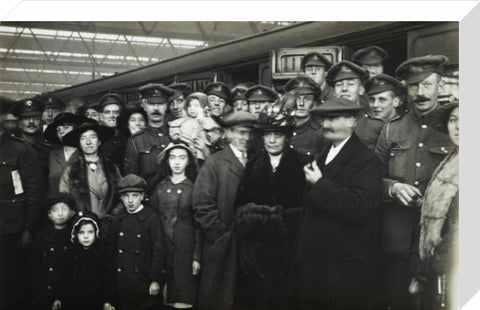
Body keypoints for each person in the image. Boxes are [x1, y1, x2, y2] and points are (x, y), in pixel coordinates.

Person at [374, 55, 453, 309]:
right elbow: (371, 177)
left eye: (427, 85)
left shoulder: (454, 127)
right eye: (413, 86)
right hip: (396, 239)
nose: (420, 92)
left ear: (440, 87)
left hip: (437, 241)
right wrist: (392, 188)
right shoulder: (390, 129)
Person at [295, 97, 383, 309]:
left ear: (352, 121)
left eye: (334, 119)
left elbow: (360, 207)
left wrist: (320, 184)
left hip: (342, 266)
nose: (326, 125)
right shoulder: (323, 154)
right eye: (324, 119)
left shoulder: (367, 160)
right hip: (318, 263)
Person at [234, 108, 305, 310]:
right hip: (255, 251)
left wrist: (276, 219)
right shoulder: (254, 163)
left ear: (287, 137)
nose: (272, 140)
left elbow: (305, 209)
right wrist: (265, 219)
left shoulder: (301, 163)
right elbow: (240, 206)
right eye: (268, 134)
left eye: (278, 135)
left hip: (288, 250)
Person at [193, 111, 257, 310]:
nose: (244, 138)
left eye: (248, 133)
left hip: (251, 242)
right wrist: (221, 234)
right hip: (223, 245)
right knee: (221, 298)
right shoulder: (215, 162)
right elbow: (202, 204)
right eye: (239, 132)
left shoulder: (258, 159)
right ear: (227, 134)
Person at [0, 99, 45, 310]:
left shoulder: (20, 150)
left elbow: (34, 193)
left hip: (12, 230)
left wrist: (28, 229)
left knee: (13, 283)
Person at [415, 102, 459, 310]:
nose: (458, 127)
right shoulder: (453, 157)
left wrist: (429, 270)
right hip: (441, 266)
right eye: (453, 120)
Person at [150, 143, 202, 309]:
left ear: (188, 162)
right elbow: (152, 219)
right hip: (162, 248)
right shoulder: (159, 188)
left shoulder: (194, 188)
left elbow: (198, 226)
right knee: (162, 296)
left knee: (183, 296)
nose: (177, 162)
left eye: (182, 158)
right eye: (172, 158)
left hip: (185, 250)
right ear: (167, 161)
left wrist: (196, 257)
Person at [112, 174, 167, 310]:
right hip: (123, 283)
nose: (130, 200)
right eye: (126, 196)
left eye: (135, 196)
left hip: (144, 282)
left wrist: (155, 280)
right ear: (121, 198)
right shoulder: (118, 219)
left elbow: (159, 251)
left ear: (142, 196)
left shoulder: (151, 218)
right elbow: (111, 253)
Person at [59, 120, 121, 219]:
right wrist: (78, 219)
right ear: (79, 143)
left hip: (109, 224)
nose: (88, 142)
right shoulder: (71, 170)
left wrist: (112, 217)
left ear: (99, 141)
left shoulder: (112, 167)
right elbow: (64, 199)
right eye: (83, 138)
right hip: (83, 226)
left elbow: (121, 196)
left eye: (93, 137)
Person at [124, 83, 175, 187]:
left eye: (160, 103)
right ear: (144, 106)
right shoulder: (136, 140)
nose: (156, 108)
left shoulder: (176, 134)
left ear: (166, 106)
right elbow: (131, 180)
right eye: (151, 104)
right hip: (149, 199)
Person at [31, 193, 75, 310]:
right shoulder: (42, 236)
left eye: (64, 209)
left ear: (71, 212)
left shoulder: (74, 235)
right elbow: (36, 265)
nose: (60, 214)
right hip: (46, 289)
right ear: (49, 214)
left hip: (67, 291)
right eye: (55, 210)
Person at [64, 211, 115, 310]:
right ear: (75, 234)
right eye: (81, 232)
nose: (86, 236)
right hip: (76, 301)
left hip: (96, 301)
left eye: (90, 232)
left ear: (96, 232)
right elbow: (66, 281)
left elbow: (109, 280)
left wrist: (108, 301)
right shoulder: (73, 254)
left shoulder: (102, 254)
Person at [355, 73, 405, 150]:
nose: (375, 105)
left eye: (382, 100)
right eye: (372, 100)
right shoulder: (361, 126)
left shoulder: (405, 126)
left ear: (396, 102)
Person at [283, 75, 325, 164]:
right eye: (297, 98)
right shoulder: (281, 128)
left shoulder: (320, 133)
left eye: (307, 99)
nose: (301, 104)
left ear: (314, 103)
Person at [44, 112, 85, 195]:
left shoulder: (85, 153)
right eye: (58, 129)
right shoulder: (53, 155)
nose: (61, 131)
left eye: (66, 128)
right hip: (57, 205)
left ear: (75, 129)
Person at [12, 98, 52, 183]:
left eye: (35, 118)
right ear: (20, 123)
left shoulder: (48, 151)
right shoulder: (13, 150)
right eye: (26, 118)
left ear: (41, 122)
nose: (31, 122)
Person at [111, 107, 147, 173]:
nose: (137, 123)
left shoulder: (149, 142)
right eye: (133, 120)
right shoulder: (118, 147)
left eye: (141, 120)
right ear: (127, 125)